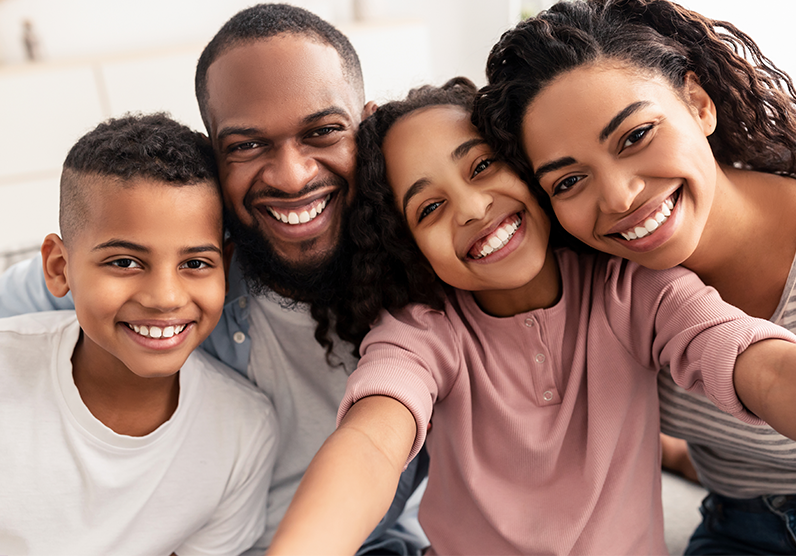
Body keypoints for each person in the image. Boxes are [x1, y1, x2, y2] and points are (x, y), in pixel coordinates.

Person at [266, 79, 796, 555]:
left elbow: (752, 358)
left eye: (481, 166)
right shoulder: (422, 333)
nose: (472, 209)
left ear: (528, 167)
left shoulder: (632, 289)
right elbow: (373, 441)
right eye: (429, 209)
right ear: (408, 247)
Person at [0, 4, 426, 554]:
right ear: (214, 157)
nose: (293, 177)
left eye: (322, 132)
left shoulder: (428, 273)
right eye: (247, 145)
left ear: (365, 127)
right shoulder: (181, 256)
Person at [473, 0, 796, 553]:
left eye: (634, 136)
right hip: (742, 528)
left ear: (698, 104)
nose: (619, 196)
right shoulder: (608, 287)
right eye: (569, 181)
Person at [0, 113, 278, 555]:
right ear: (59, 267)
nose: (165, 297)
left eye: (194, 264)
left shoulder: (244, 431)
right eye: (125, 262)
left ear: (224, 266)